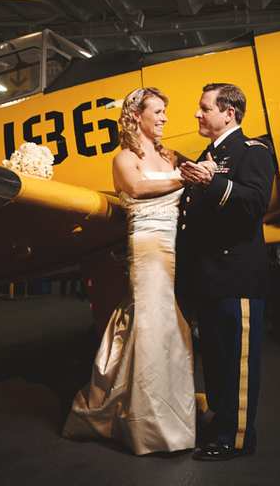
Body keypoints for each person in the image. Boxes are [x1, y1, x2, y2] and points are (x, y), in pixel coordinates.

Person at [62, 87, 205, 455]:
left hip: (177, 249)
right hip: (148, 248)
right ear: (135, 116)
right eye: (157, 111)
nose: (164, 118)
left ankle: (173, 413)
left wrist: (213, 168)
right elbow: (138, 189)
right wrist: (187, 178)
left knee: (174, 328)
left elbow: (206, 174)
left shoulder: (171, 155)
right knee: (152, 325)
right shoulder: (124, 158)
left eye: (164, 112)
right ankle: (151, 425)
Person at [175, 83, 275, 461]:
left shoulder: (253, 152)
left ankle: (236, 438)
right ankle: (220, 423)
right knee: (217, 363)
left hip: (236, 275)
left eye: (204, 108)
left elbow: (255, 202)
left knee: (239, 364)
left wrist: (211, 182)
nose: (198, 114)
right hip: (208, 276)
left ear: (228, 113)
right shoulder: (209, 153)